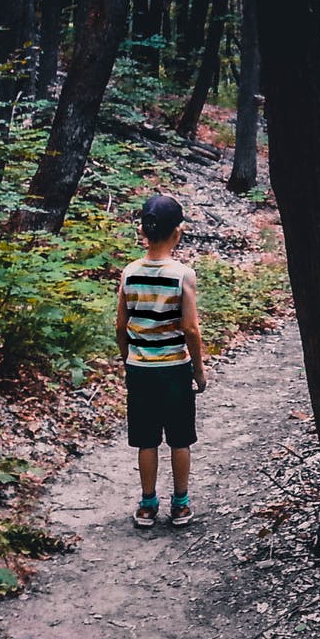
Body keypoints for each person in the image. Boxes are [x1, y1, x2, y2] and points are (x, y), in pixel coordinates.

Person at [116, 194, 207, 527]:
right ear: (177, 233)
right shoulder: (182, 275)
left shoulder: (129, 273)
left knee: (146, 438)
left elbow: (120, 324)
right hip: (174, 369)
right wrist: (197, 369)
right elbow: (191, 328)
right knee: (180, 438)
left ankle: (147, 503)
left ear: (143, 230)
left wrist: (129, 358)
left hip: (140, 370)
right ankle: (180, 504)